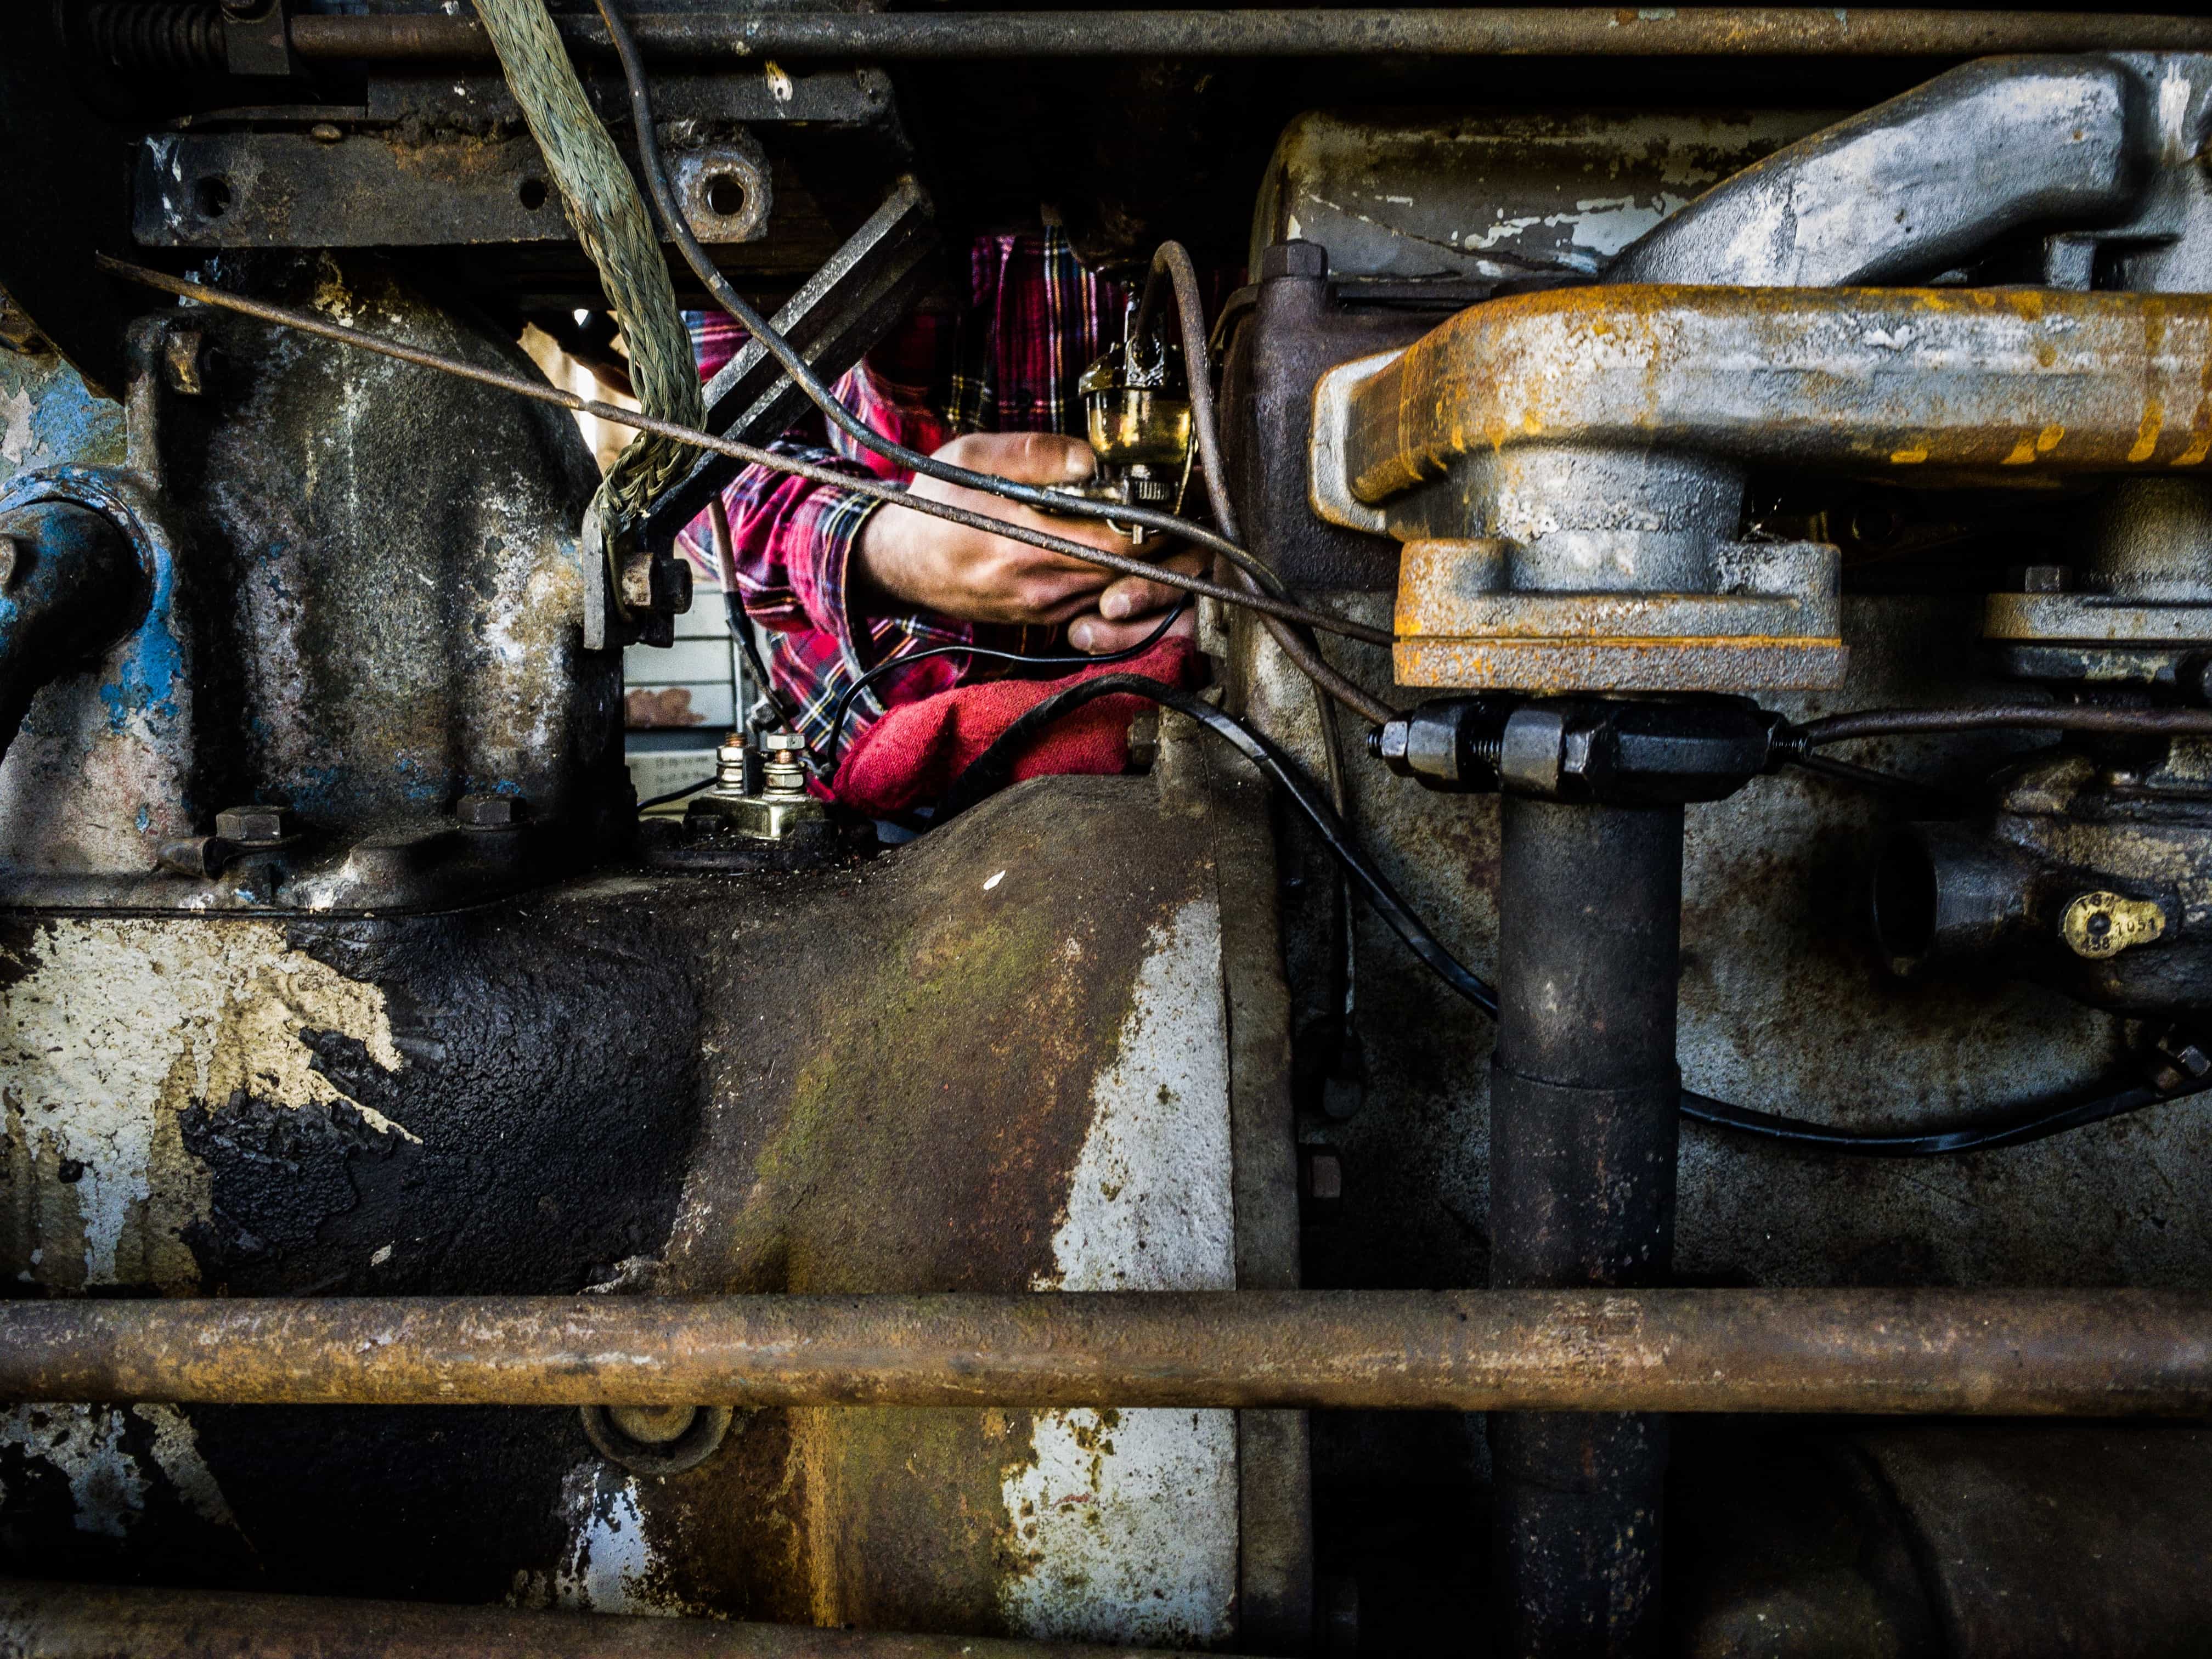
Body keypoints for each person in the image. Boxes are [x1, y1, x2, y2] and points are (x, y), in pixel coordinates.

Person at [676, 225, 1209, 766]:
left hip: (1196, 685)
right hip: (882, 701)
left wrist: (1224, 584)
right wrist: (890, 549)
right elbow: (698, 454)